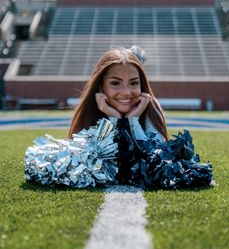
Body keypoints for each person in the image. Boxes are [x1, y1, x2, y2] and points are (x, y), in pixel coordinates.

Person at [25, 46, 213, 189]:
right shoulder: (90, 110)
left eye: (133, 83)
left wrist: (132, 121)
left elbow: (154, 162)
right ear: (100, 87)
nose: (126, 92)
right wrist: (113, 120)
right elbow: (90, 162)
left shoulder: (149, 106)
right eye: (115, 83)